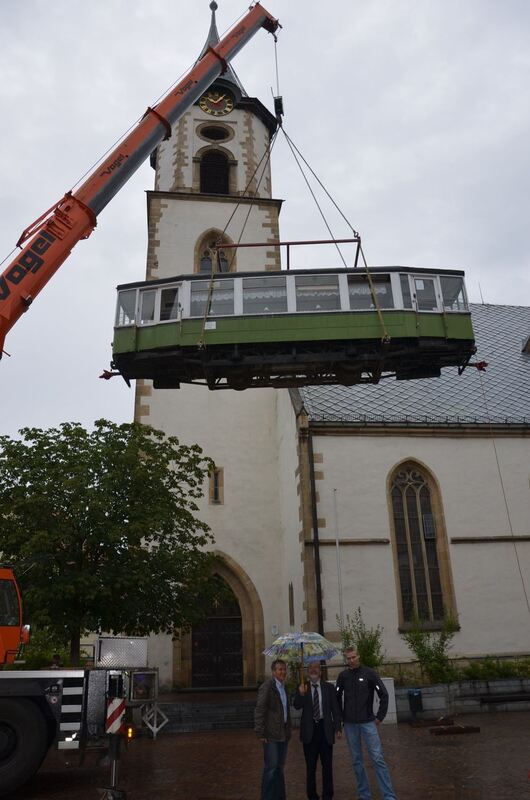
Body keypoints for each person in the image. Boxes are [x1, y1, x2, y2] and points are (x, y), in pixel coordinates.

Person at [336, 647, 397, 800]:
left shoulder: (369, 673)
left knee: (377, 758)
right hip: (350, 724)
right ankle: (364, 795)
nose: (351, 660)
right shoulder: (342, 676)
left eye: (353, 657)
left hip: (368, 722)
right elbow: (336, 698)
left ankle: (389, 796)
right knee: (357, 761)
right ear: (346, 659)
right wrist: (339, 720)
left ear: (359, 656)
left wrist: (380, 717)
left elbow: (383, 694)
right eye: (348, 658)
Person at [294, 662, 342, 800]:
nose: (313, 670)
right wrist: (301, 694)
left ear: (321, 672)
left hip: (325, 729)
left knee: (327, 766)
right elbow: (296, 706)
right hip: (309, 732)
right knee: (310, 767)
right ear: (307, 672)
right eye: (310, 669)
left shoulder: (329, 688)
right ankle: (312, 795)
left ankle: (328, 795)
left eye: (316, 668)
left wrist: (338, 727)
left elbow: (335, 709)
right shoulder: (303, 687)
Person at [254, 658, 291, 800]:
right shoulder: (267, 686)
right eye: (280, 669)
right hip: (271, 735)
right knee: (271, 768)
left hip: (283, 734)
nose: (283, 672)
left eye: (284, 669)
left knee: (279, 768)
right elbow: (260, 709)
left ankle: (280, 796)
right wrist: (260, 732)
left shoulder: (284, 687)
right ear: (273, 671)